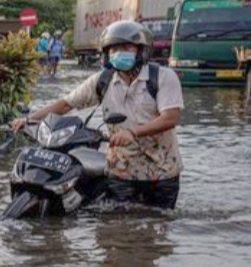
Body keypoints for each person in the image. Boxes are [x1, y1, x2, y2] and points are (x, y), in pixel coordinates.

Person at [10, 19, 183, 209]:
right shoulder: (103, 80)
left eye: (126, 47)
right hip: (121, 170)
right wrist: (28, 119)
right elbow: (66, 103)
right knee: (116, 230)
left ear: (141, 50)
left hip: (161, 171)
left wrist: (132, 133)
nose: (119, 53)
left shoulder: (163, 77)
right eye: (113, 49)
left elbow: (170, 117)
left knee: (160, 225)